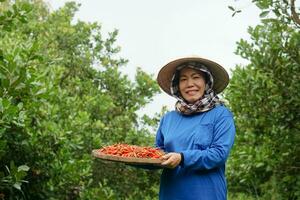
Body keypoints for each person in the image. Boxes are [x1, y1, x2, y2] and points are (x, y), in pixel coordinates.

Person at [155, 56, 236, 200]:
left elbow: (218, 154)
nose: (189, 84)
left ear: (206, 82)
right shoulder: (168, 119)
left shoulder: (221, 115)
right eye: (183, 79)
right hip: (170, 194)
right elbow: (157, 155)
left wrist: (182, 158)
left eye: (196, 77)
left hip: (207, 194)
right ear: (177, 85)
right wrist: (130, 158)